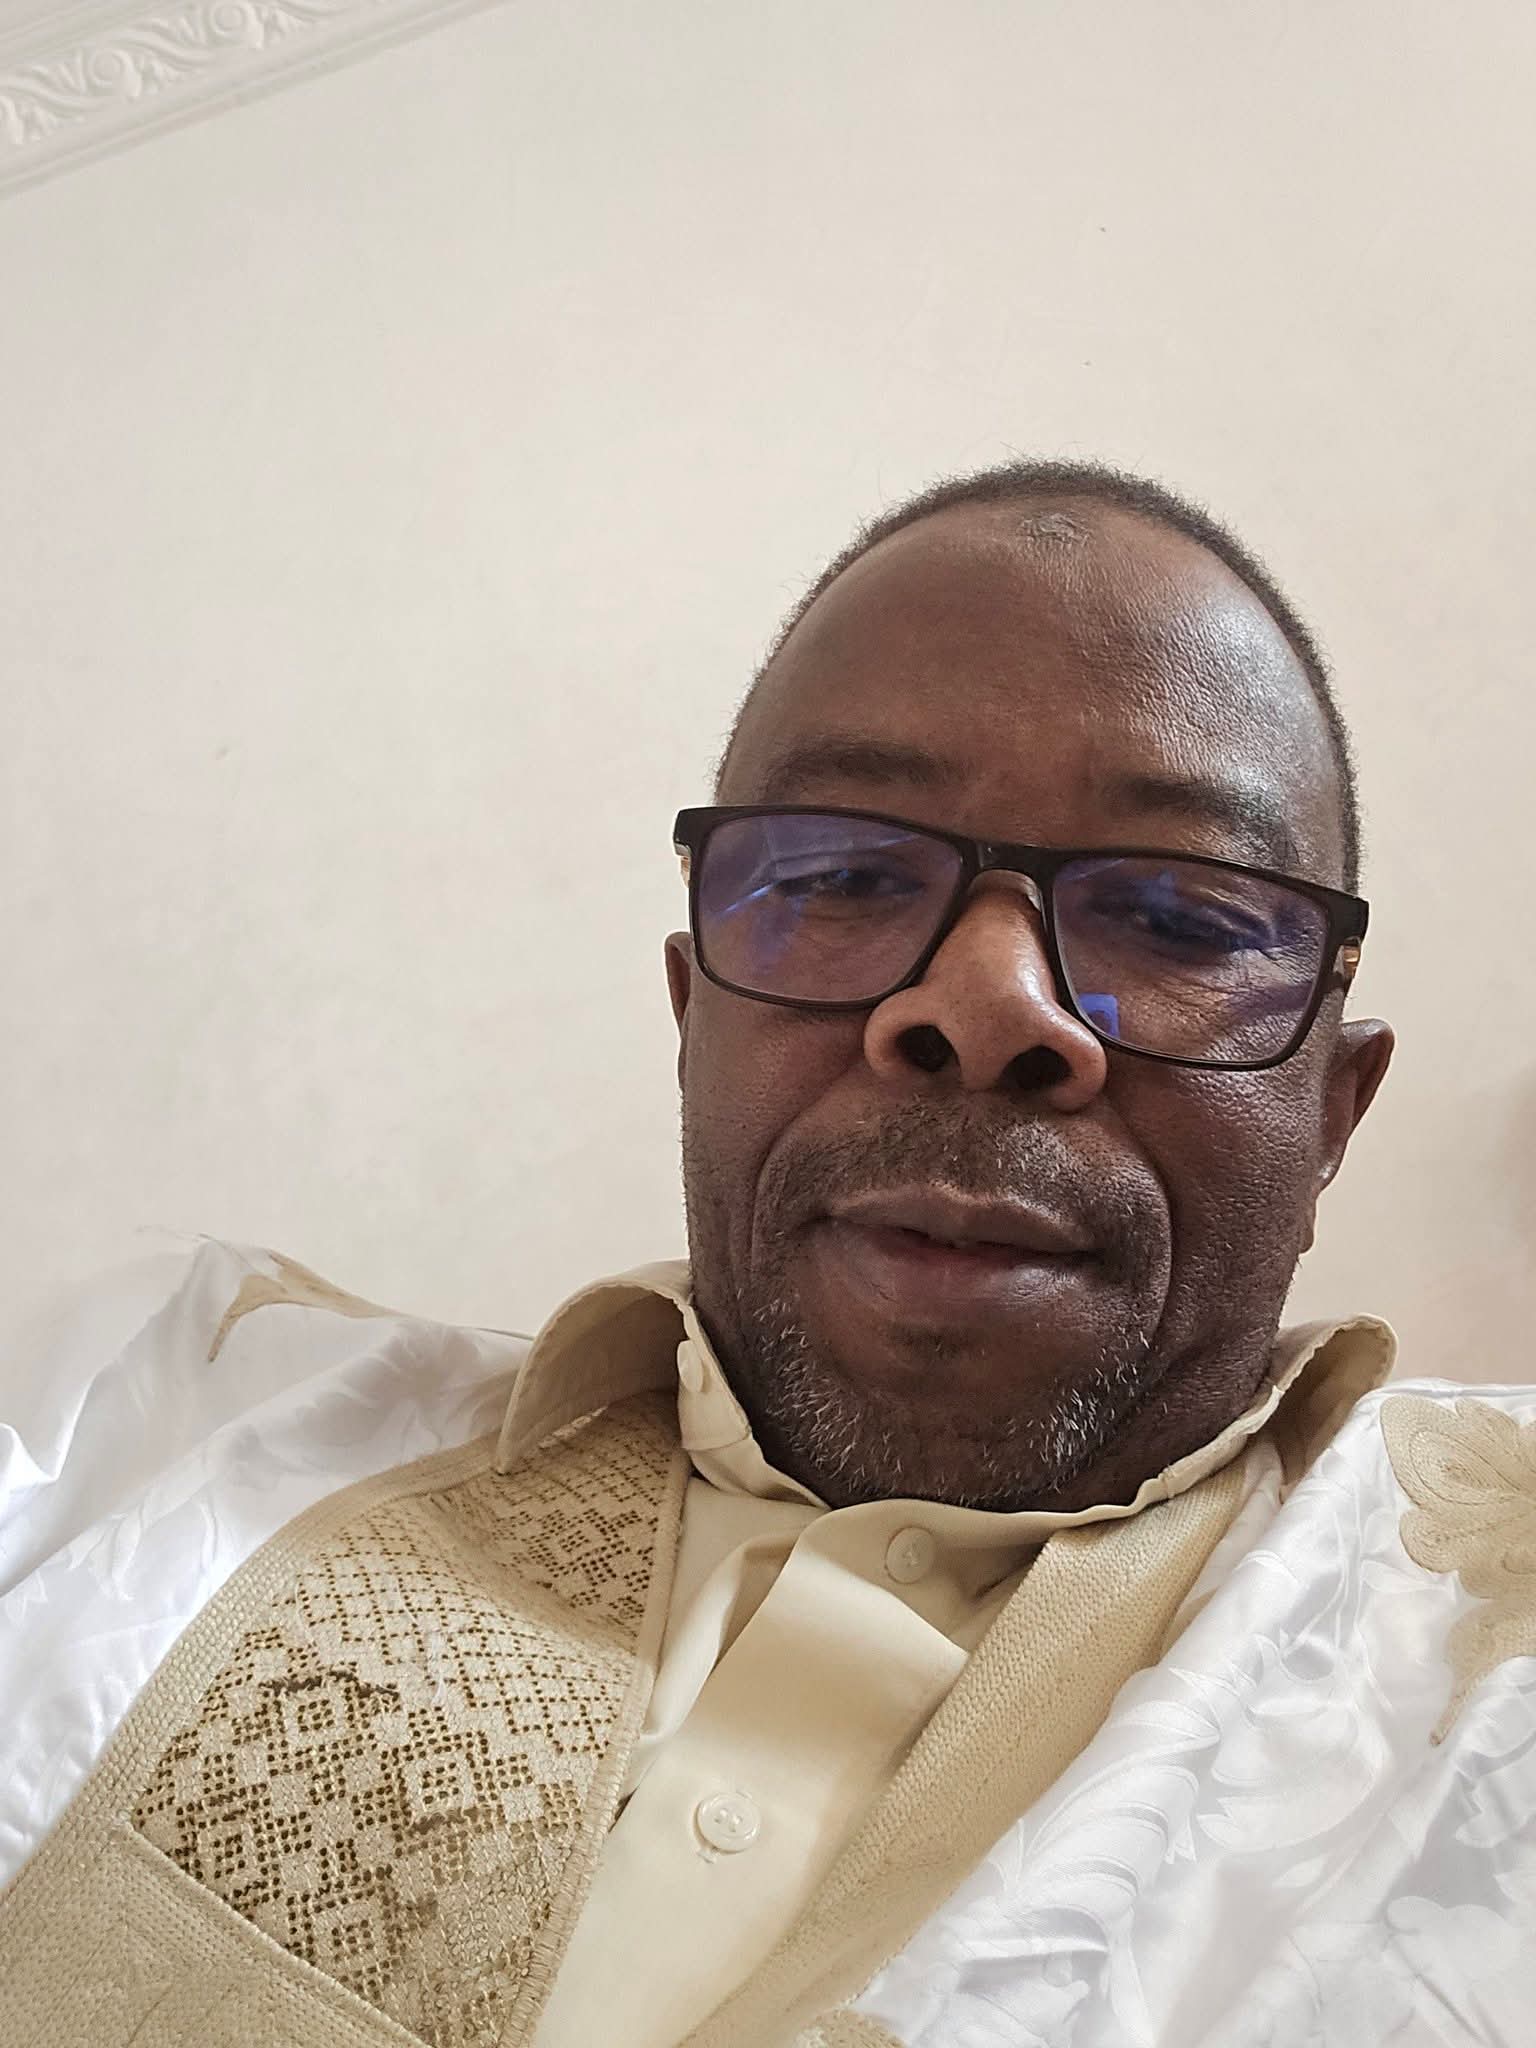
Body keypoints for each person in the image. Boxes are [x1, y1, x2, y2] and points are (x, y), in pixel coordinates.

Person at [1, 460, 1531, 2048]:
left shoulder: (1484, 1653)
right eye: (847, 879)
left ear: (1333, 1110)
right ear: (692, 1016)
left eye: (1183, 920)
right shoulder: (155, 1419)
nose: (987, 1006)